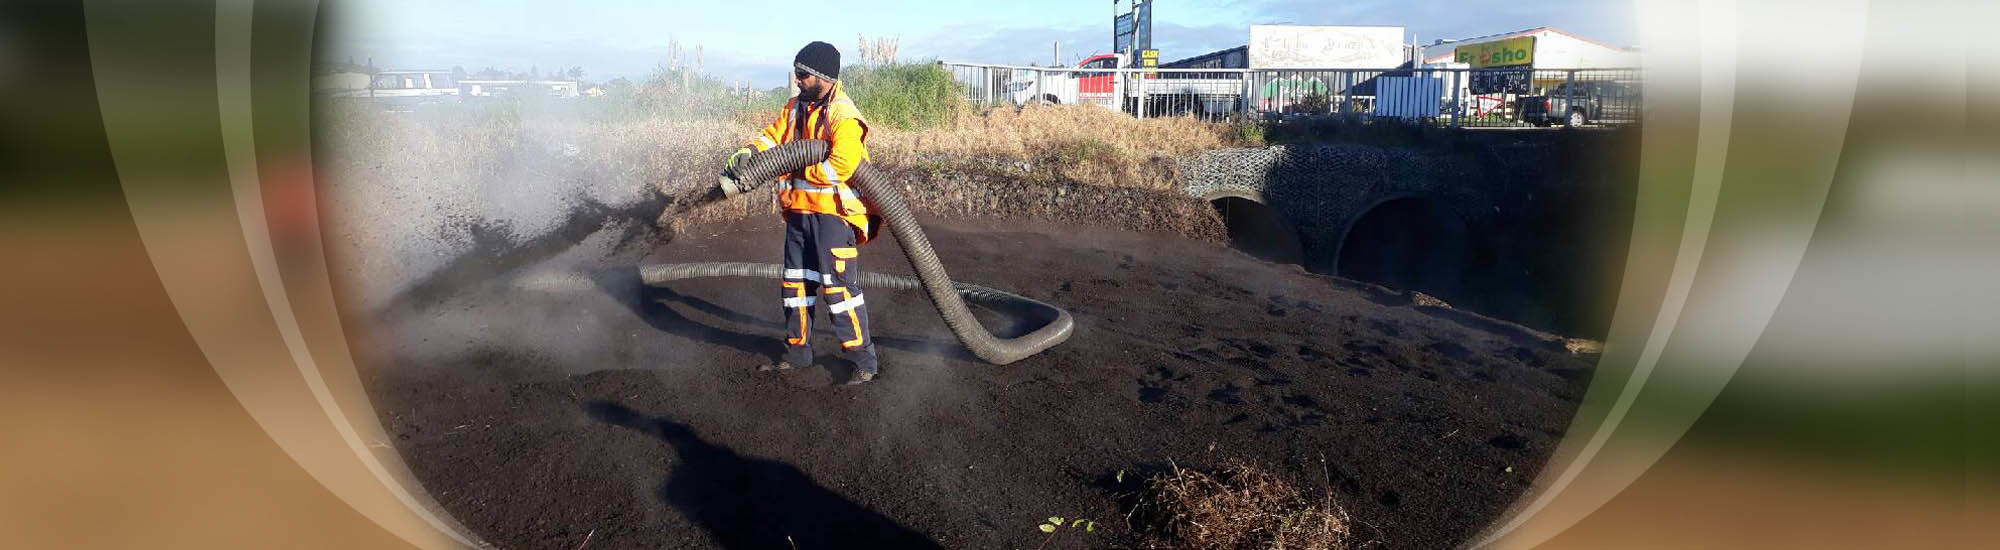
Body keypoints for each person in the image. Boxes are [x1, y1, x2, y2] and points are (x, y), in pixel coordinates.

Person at [726, 41, 880, 385]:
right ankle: (797, 352)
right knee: (796, 286)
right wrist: (749, 152)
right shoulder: (796, 107)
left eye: (802, 74)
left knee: (839, 291)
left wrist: (800, 169)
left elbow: (841, 163)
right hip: (799, 215)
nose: (796, 80)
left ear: (822, 77)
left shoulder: (844, 114)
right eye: (796, 73)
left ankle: (863, 361)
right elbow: (773, 138)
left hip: (832, 218)